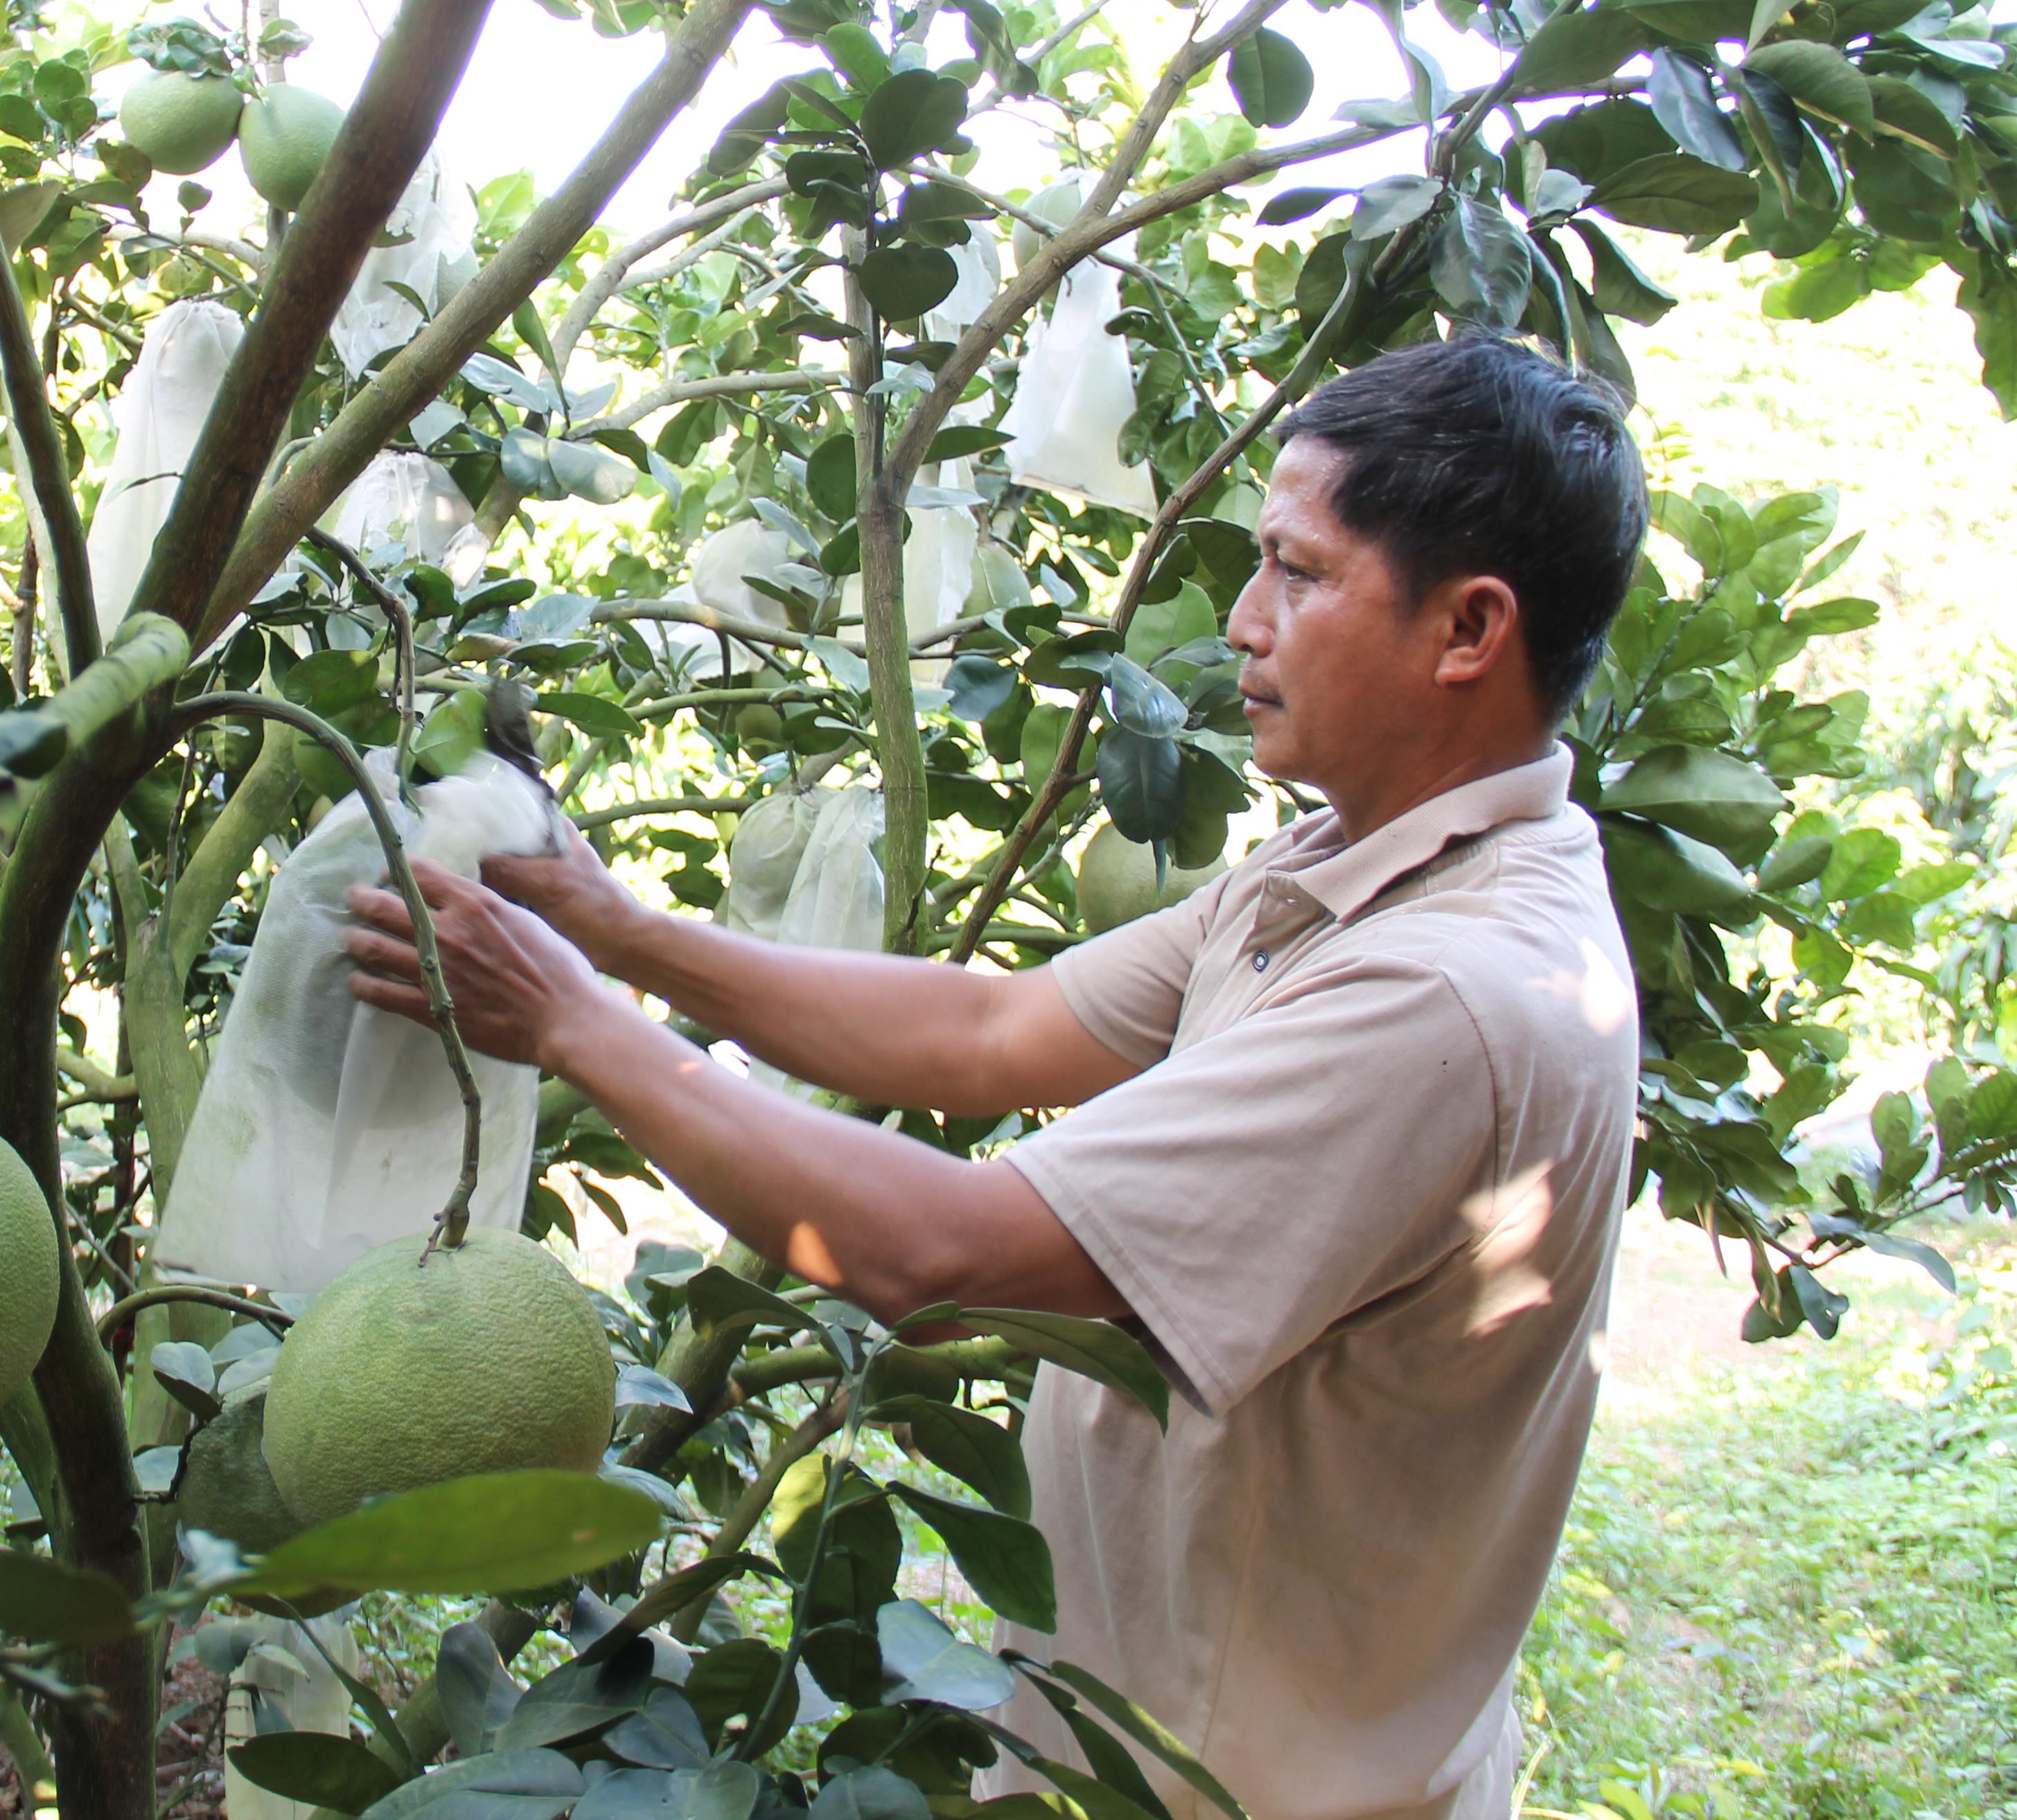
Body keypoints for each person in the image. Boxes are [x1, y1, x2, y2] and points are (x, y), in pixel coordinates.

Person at [340, 334, 1650, 1820]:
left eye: (1299, 571)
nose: (1242, 619)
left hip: (1236, 1783)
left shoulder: (1449, 994)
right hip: (1151, 1736)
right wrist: (618, 929)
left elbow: (940, 1255)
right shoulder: (1354, 865)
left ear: (1469, 629)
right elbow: (990, 1029)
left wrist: (582, 1024)